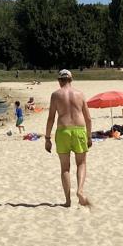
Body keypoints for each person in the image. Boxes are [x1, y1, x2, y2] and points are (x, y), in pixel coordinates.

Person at [44, 69, 93, 208]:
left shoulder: (55, 95)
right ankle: (80, 191)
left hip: (63, 131)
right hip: (79, 131)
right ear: (71, 79)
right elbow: (88, 118)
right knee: (81, 163)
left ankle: (67, 201)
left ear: (59, 81)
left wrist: (47, 138)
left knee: (65, 168)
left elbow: (50, 119)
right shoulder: (80, 94)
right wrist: (89, 136)